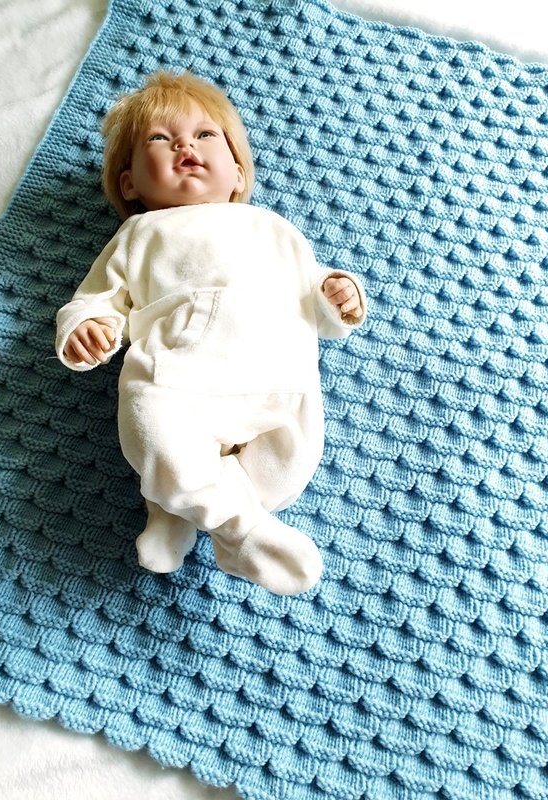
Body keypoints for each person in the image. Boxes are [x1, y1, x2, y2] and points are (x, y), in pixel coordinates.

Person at [55, 71, 366, 595]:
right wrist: (86, 327)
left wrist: (339, 295)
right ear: (130, 184)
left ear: (237, 174)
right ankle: (238, 529)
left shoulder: (273, 227)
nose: (185, 147)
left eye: (204, 135)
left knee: (286, 471)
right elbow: (96, 299)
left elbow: (314, 295)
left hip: (277, 380)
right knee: (151, 432)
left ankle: (179, 508)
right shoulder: (140, 233)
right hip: (178, 377)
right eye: (160, 139)